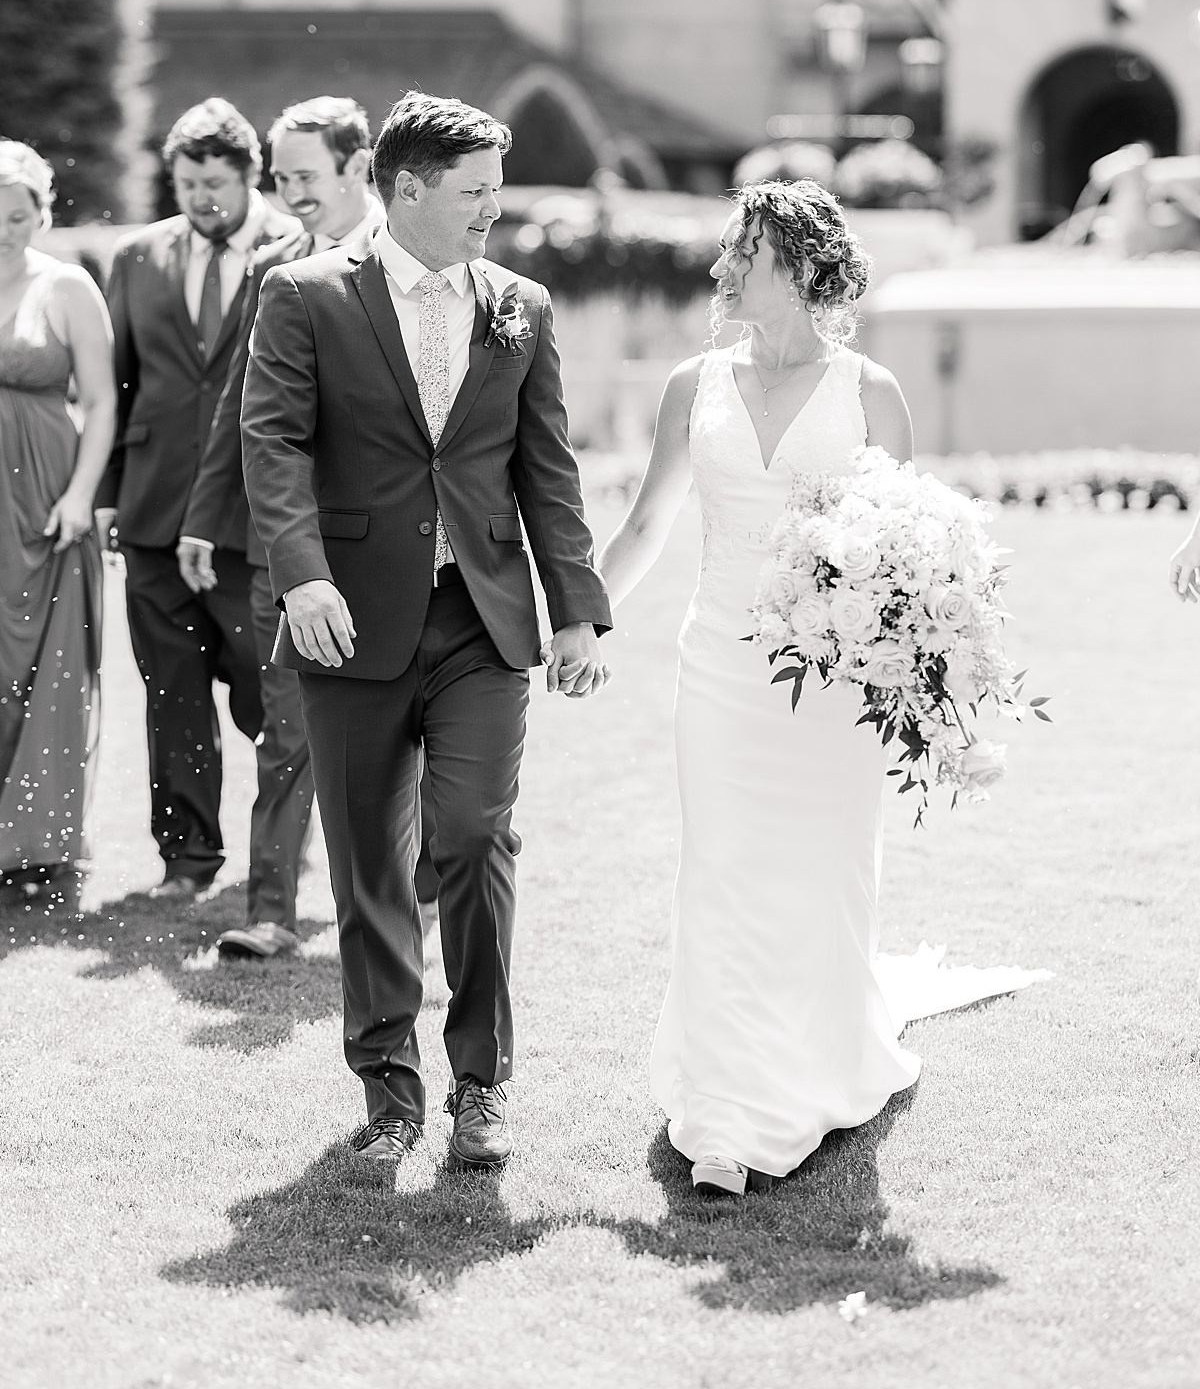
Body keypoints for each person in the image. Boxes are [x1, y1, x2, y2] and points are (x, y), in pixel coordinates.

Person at [598, 180, 1039, 1197]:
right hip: (718, 671)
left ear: (794, 265)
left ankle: (823, 1062)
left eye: (738, 255)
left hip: (829, 686)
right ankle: (726, 1108)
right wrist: (579, 620)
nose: (719, 271)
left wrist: (938, 688)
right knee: (721, 872)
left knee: (821, 872)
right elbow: (648, 526)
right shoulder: (690, 385)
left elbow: (913, 548)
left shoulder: (871, 390)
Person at [242, 90, 611, 1169]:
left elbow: (547, 468)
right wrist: (301, 579)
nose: (495, 209)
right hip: (346, 622)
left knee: (472, 835)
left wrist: (578, 612)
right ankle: (389, 1092)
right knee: (368, 864)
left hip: (483, 623)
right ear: (406, 191)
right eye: (475, 192)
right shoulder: (305, 297)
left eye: (495, 188)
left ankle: (483, 1086)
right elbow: (271, 447)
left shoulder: (521, 306)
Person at [177, 96, 382, 959]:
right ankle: (271, 912)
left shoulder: (412, 260)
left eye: (305, 175)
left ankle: (415, 897)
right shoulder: (273, 266)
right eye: (280, 176)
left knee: (401, 735)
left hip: (390, 544)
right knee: (287, 730)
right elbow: (242, 409)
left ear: (358, 169)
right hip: (279, 544)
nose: (288, 192)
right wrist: (201, 518)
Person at [95, 99, 299, 899]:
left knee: (264, 686)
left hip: (252, 521)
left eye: (216, 182)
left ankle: (286, 844)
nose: (202, 196)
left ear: (250, 177)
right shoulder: (136, 257)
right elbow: (118, 383)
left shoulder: (296, 253)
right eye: (186, 182)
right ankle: (186, 860)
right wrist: (111, 494)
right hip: (151, 513)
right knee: (171, 690)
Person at [0, 140, 114, 890]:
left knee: (40, 665)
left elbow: (102, 401)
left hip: (43, 497)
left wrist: (79, 495)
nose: (5, 227)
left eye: (19, 214)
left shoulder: (68, 287)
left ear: (43, 214)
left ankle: (31, 845)